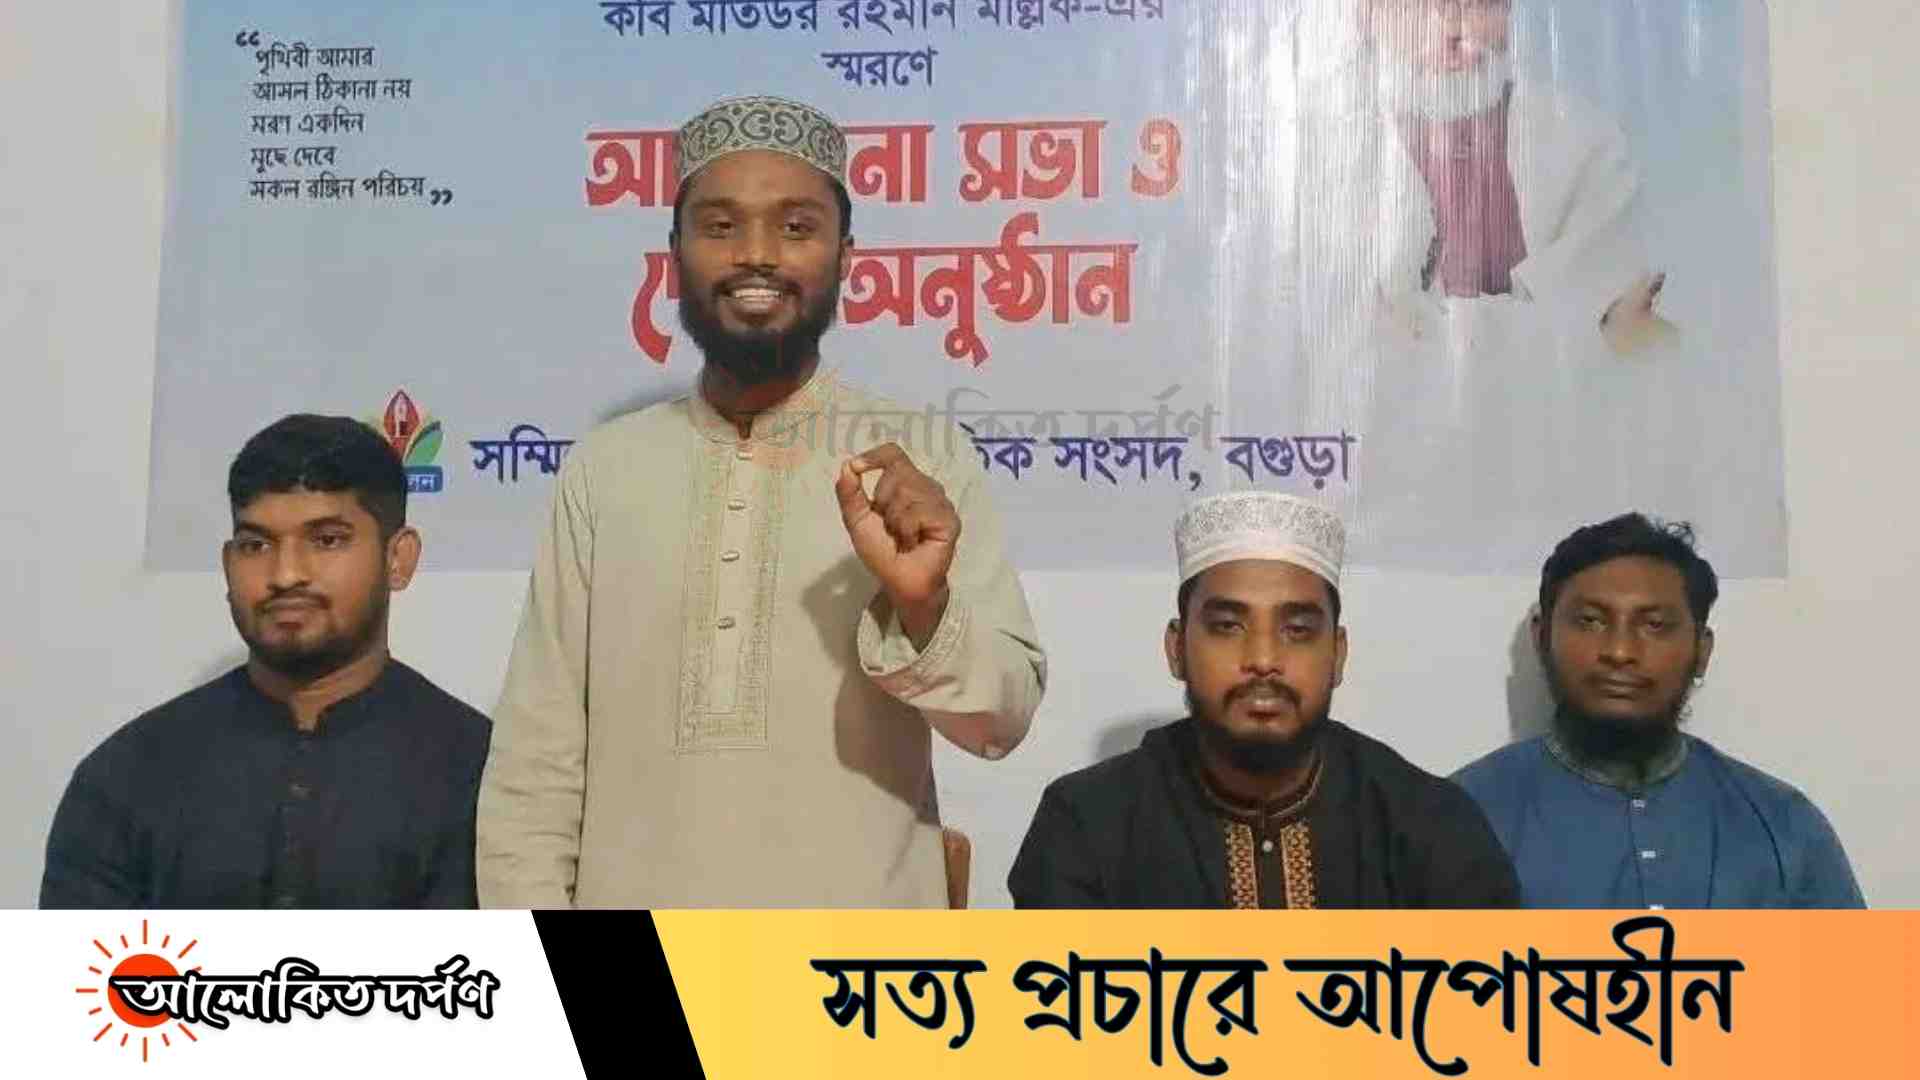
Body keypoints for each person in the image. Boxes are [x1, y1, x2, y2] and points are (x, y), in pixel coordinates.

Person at [477, 94, 1047, 908]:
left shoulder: (918, 459)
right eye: (719, 227)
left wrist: (924, 607)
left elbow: (1000, 722)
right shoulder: (607, 467)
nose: (755, 256)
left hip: (854, 968)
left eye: (796, 227)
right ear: (674, 253)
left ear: (845, 257)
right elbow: (537, 760)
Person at [40, 414, 490, 908]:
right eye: (256, 545)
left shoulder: (481, 775)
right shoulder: (128, 774)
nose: (285, 573)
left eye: (327, 540)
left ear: (398, 559)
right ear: (227, 563)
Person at [1009, 491, 1516, 908]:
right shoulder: (1086, 824)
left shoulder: (1431, 825)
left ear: (1337, 654)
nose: (1263, 659)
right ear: (1176, 649)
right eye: (1228, 627)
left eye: (1298, 630)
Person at [1453, 513, 1865, 907]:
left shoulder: (1784, 825)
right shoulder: (1460, 817)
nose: (1619, 652)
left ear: (1701, 651)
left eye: (1654, 625)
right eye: (1591, 621)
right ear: (1542, 638)